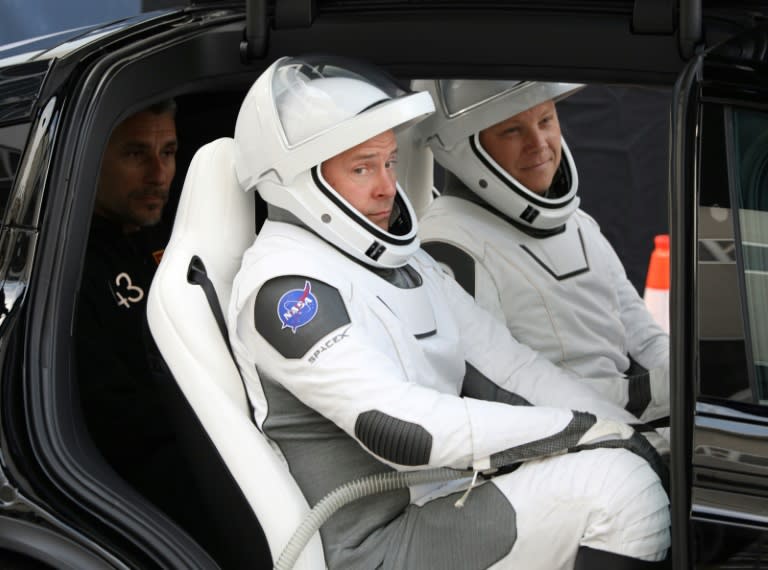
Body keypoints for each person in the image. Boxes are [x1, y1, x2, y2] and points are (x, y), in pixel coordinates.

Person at [229, 56, 671, 570]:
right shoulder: (286, 289)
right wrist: (582, 432)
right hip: (376, 543)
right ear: (297, 178)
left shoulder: (403, 260)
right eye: (361, 168)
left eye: (389, 162)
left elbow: (514, 371)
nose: (384, 187)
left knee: (642, 461)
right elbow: (401, 428)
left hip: (444, 502)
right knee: (622, 492)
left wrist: (619, 430)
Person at [415, 80, 670, 426]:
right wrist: (637, 413)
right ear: (463, 146)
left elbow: (643, 334)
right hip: (559, 437)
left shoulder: (577, 221)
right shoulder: (448, 244)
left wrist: (683, 384)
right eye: (512, 130)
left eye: (546, 121)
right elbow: (502, 385)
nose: (539, 145)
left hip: (622, 415)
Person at [76, 100, 198, 527]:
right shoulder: (69, 267)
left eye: (168, 152)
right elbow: (116, 423)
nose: (159, 175)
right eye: (135, 154)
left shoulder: (178, 235)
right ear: (90, 155)